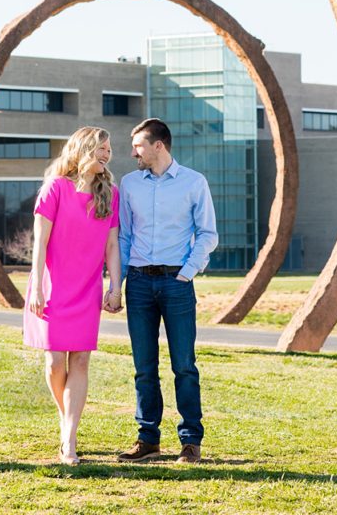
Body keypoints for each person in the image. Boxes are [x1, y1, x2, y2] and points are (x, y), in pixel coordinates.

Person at [116, 118, 218, 465]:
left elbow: (208, 233)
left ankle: (190, 441)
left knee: (184, 365)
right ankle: (148, 440)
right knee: (144, 366)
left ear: (159, 145)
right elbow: (124, 237)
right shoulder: (130, 184)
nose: (134, 153)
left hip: (177, 284)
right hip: (140, 284)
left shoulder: (194, 182)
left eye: (139, 146)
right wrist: (117, 285)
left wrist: (188, 273)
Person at [23, 126, 122, 465]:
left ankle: (70, 437)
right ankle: (67, 420)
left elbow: (112, 244)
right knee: (54, 363)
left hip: (87, 288)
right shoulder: (55, 188)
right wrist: (36, 286)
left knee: (80, 360)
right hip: (52, 286)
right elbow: (40, 243)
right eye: (101, 147)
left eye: (109, 149)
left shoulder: (111, 193)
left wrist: (115, 284)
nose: (107, 154)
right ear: (83, 148)